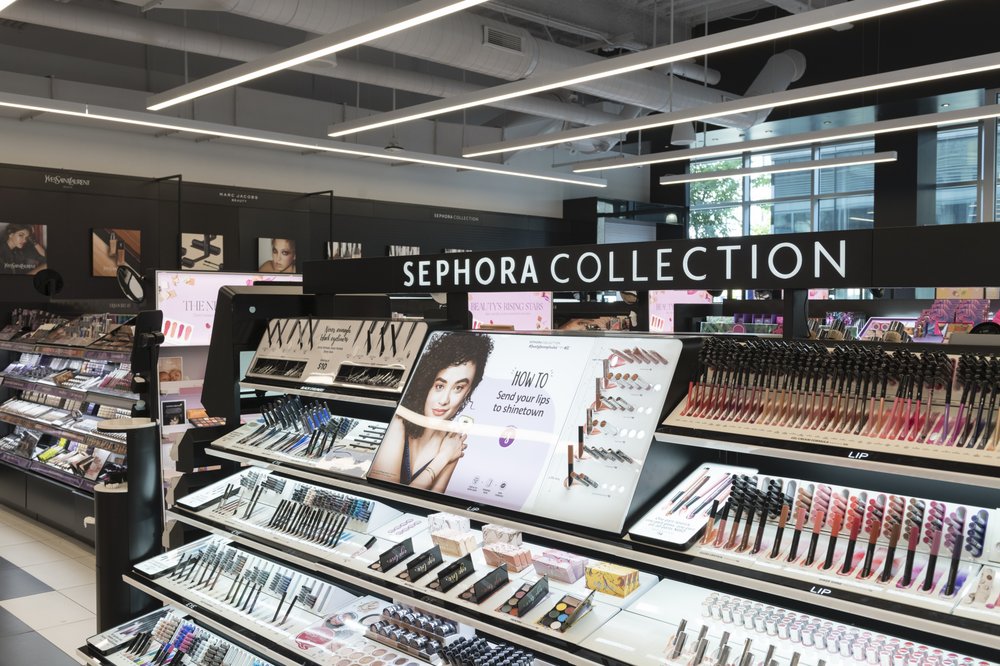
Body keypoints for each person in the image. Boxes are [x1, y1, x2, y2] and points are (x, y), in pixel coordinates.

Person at [368, 333, 493, 491]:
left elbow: (429, 502)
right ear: (426, 383)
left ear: (468, 392)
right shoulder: (399, 421)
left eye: (458, 388)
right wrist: (443, 458)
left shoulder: (453, 442)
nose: (444, 400)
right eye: (440, 386)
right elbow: (388, 493)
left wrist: (447, 456)